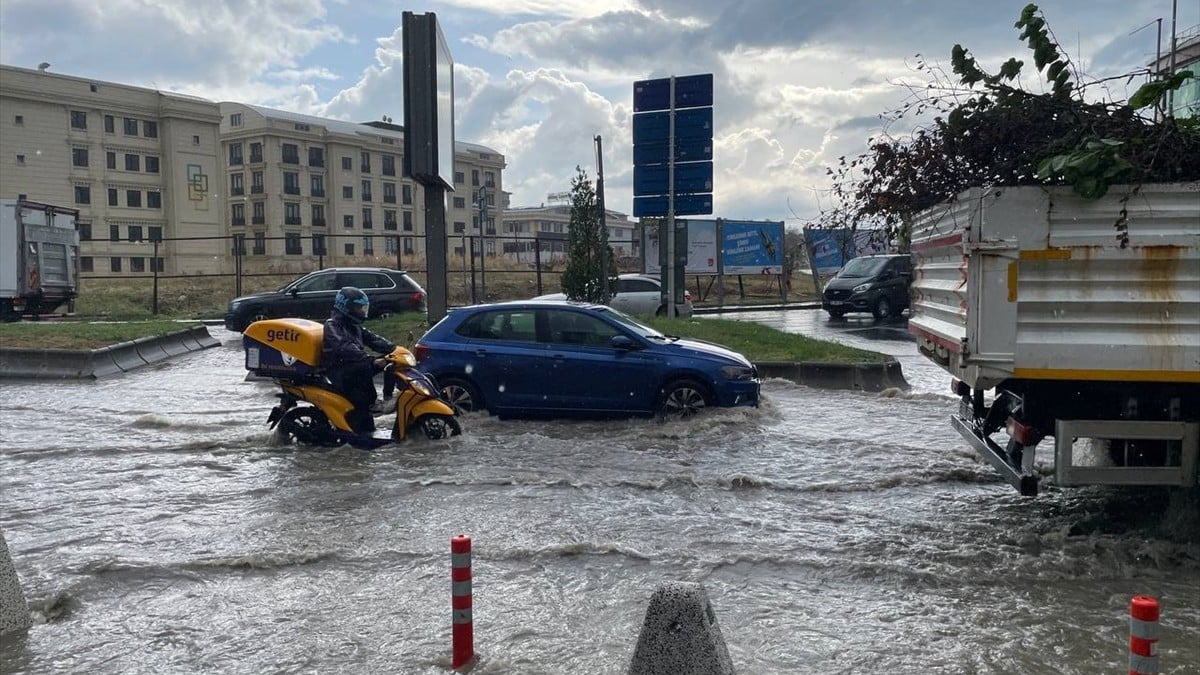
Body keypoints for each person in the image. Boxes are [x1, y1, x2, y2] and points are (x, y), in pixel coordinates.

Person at [321, 286, 396, 434]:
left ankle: (388, 398)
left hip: (354, 365)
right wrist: (370, 360)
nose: (362, 311)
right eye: (358, 308)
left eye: (363, 308)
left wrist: (394, 348)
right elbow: (344, 347)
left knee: (391, 363)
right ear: (345, 307)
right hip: (339, 369)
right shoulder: (332, 325)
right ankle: (372, 403)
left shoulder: (354, 326)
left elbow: (373, 339)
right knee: (364, 367)